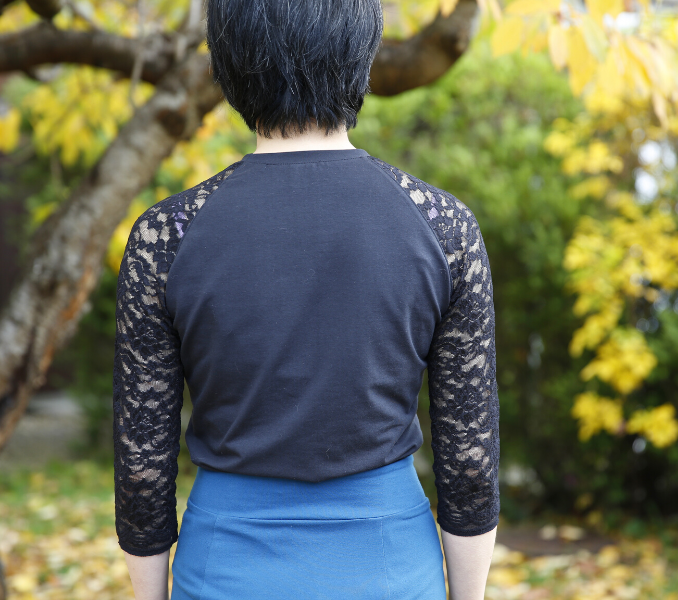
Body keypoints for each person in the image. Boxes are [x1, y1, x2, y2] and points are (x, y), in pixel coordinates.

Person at [112, 0, 500, 598]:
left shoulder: (166, 236)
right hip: (390, 568)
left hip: (226, 569)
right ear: (361, 53)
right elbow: (469, 465)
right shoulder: (445, 227)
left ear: (230, 61)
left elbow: (142, 470)